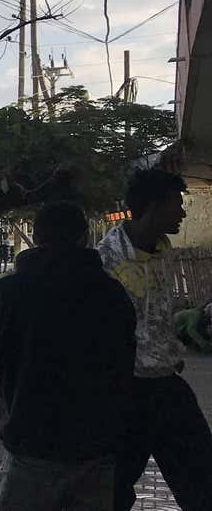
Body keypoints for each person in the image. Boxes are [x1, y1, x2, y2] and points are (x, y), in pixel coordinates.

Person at [0, 201, 137, 511]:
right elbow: (124, 368)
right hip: (95, 448)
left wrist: (12, 414)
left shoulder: (9, 293)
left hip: (31, 444)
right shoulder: (112, 294)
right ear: (84, 237)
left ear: (37, 237)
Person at [98, 168, 212, 510]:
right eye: (176, 204)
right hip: (125, 392)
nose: (182, 212)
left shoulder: (163, 251)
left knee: (202, 478)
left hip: (166, 383)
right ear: (152, 206)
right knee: (113, 487)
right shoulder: (105, 260)